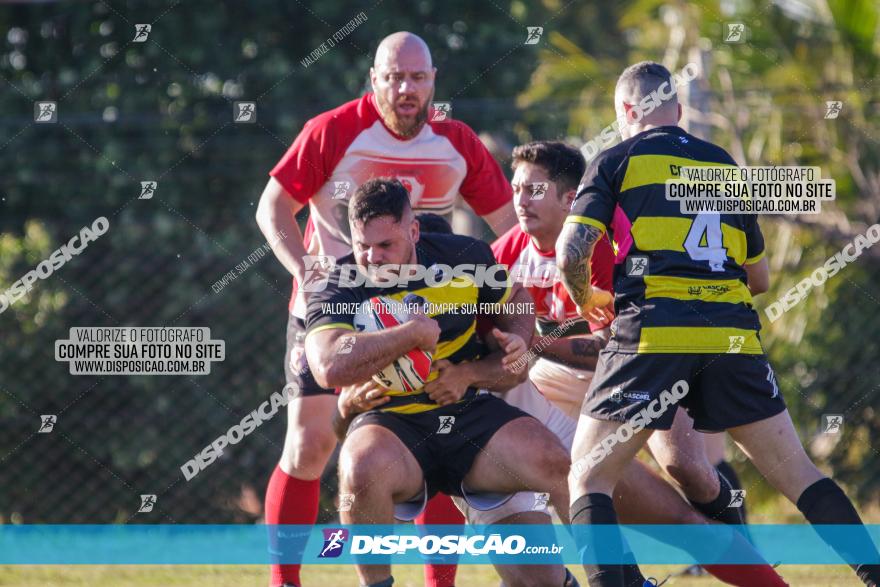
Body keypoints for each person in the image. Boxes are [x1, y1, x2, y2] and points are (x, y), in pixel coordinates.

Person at [557, 60, 880, 587]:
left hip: (652, 332)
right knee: (799, 474)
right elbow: (761, 276)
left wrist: (586, 295)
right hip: (732, 336)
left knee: (588, 476)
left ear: (624, 111)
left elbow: (572, 249)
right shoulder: (722, 165)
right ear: (677, 110)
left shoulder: (616, 159)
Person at [254, 31, 516, 587]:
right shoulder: (331, 130)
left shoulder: (457, 141)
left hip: (429, 321)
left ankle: (437, 583)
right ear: (374, 80)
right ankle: (284, 581)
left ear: (433, 83)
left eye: (417, 78)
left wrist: (508, 304)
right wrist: (306, 270)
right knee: (309, 443)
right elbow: (272, 207)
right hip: (337, 319)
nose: (405, 88)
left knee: (438, 440)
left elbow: (510, 228)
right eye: (393, 77)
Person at [486, 139, 785, 587]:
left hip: (629, 372)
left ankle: (742, 549)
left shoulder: (605, 247)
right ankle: (619, 575)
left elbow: (609, 347)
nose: (520, 201)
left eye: (534, 190)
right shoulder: (504, 253)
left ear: (571, 197)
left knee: (689, 470)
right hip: (555, 379)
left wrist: (534, 342)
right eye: (516, 189)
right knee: (553, 464)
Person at [305, 178, 572, 587]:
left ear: (413, 231)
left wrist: (516, 337)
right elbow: (326, 365)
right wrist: (409, 335)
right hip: (393, 426)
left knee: (556, 465)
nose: (372, 258)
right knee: (359, 467)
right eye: (362, 246)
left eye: (385, 245)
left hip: (469, 415)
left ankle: (611, 573)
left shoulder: (463, 256)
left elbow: (516, 299)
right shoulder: (336, 281)